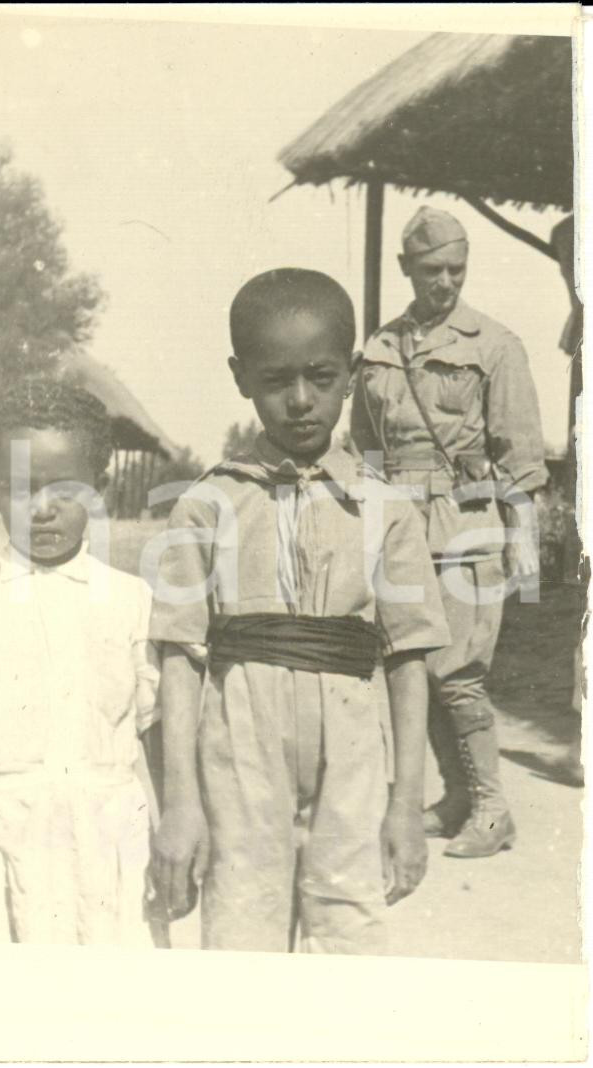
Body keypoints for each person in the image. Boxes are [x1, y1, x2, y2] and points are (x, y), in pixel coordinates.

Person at [149, 269, 450, 954]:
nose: (300, 400)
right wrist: (182, 803)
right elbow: (179, 656)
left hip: (351, 748)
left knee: (348, 932)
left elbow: (408, 661)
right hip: (239, 744)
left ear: (350, 373)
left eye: (320, 377)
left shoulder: (386, 509)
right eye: (276, 379)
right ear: (240, 377)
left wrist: (406, 803)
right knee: (240, 928)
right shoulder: (207, 504)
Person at [0, 379, 164, 944]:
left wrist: (169, 838)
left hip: (106, 848)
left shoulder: (132, 601)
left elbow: (156, 733)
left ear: (101, 489)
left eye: (66, 490)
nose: (43, 508)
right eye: (22, 489)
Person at [351, 206, 549, 858]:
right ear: (406, 267)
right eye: (432, 270)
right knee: (412, 664)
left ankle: (493, 811)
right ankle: (458, 795)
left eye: (456, 270)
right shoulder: (379, 348)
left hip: (467, 525)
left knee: (457, 671)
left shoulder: (494, 346)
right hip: (400, 527)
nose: (445, 283)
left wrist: (525, 543)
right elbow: (362, 450)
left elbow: (521, 457)